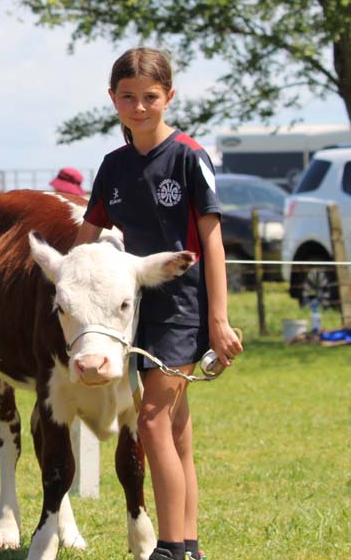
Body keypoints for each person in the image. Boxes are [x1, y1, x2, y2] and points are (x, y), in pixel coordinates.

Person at [73, 48, 243, 560]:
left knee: (150, 420)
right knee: (174, 426)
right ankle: (188, 545)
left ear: (169, 97)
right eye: (128, 97)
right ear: (113, 99)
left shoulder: (190, 156)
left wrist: (218, 319)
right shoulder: (113, 166)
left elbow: (212, 241)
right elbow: (87, 235)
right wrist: (63, 282)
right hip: (136, 308)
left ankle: (168, 547)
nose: (140, 107)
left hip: (185, 309)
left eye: (150, 97)